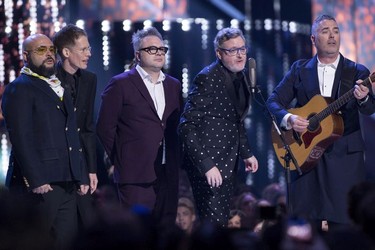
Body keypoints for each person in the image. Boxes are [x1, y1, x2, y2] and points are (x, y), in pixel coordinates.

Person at [266, 14, 375, 230]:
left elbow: (370, 108)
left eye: (335, 30)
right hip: (305, 154)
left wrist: (363, 98)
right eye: (325, 31)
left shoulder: (357, 71)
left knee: (345, 225)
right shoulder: (299, 69)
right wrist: (289, 119)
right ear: (313, 39)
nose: (332, 36)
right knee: (305, 223)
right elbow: (273, 101)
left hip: (344, 157)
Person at [1, 33, 89, 249]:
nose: (49, 54)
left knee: (66, 241)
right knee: (35, 240)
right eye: (41, 50)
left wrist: (81, 173)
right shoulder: (20, 87)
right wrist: (36, 179)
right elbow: (21, 137)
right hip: (42, 183)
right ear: (25, 56)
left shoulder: (58, 85)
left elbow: (73, 133)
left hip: (67, 179)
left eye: (51, 49)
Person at [96, 27, 182, 228]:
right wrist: (121, 158)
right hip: (135, 173)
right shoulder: (121, 84)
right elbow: (104, 127)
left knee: (165, 230)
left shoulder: (173, 85)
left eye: (162, 49)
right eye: (152, 49)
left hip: (167, 172)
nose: (159, 52)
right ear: (138, 55)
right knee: (137, 230)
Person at [179, 27, 259, 227]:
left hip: (228, 164)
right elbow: (186, 126)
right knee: (213, 227)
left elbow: (235, 120)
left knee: (221, 224)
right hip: (209, 167)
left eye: (242, 49)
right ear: (219, 54)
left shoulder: (242, 77)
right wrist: (206, 165)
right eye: (232, 50)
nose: (239, 54)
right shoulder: (208, 78)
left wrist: (247, 152)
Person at [53, 24, 98, 229]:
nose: (88, 53)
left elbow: (87, 128)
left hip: (81, 164)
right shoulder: (48, 80)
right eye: (83, 49)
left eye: (88, 48)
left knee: (87, 223)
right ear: (66, 52)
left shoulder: (89, 79)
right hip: (58, 166)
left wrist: (91, 169)